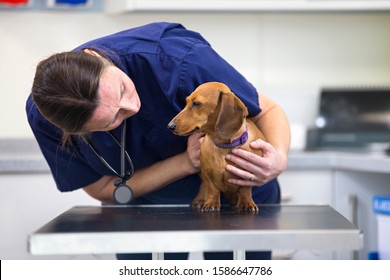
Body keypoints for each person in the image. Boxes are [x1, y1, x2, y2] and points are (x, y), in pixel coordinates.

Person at [26, 22, 290, 260]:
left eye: (121, 89)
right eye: (111, 120)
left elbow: (267, 110)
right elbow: (102, 187)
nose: (132, 106)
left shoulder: (177, 58)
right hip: (142, 205)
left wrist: (277, 159)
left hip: (237, 191)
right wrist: (186, 162)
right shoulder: (45, 117)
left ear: (95, 57)